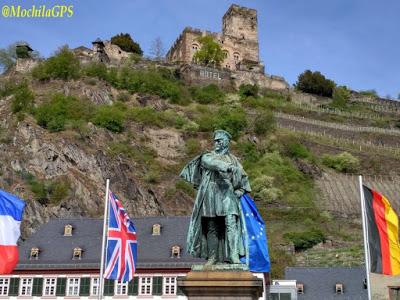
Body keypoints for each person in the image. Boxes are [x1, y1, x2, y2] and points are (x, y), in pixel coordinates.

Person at [180, 129, 251, 264]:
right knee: (211, 226)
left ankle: (233, 255)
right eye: (215, 140)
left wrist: (239, 192)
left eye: (220, 140)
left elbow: (244, 181)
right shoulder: (207, 156)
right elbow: (212, 164)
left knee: (231, 225)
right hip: (211, 194)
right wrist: (228, 167)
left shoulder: (234, 160)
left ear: (227, 142)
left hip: (228, 196)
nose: (216, 142)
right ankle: (212, 257)